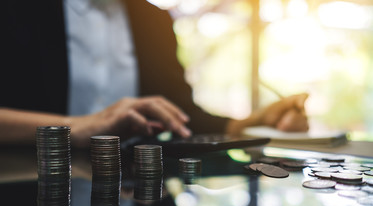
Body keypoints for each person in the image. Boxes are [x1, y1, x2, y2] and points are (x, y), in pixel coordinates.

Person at [0, 0, 308, 148]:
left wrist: (249, 124)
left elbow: (180, 114)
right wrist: (80, 127)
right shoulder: (15, 9)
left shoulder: (154, 20)